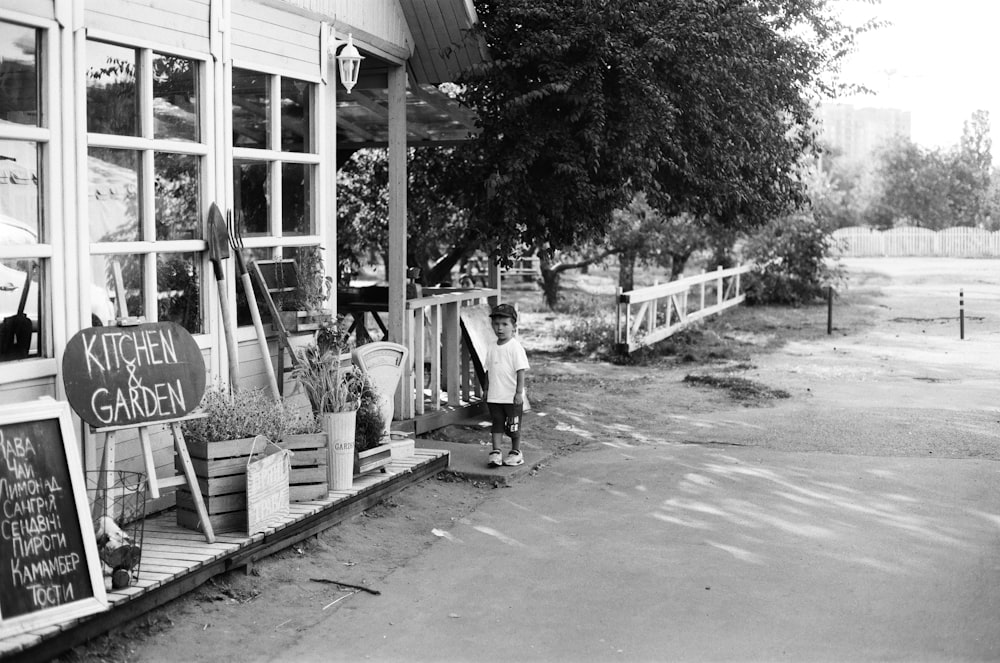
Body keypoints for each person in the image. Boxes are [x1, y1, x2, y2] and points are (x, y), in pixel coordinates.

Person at [483, 303, 530, 467]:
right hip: (495, 395)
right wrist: (487, 389)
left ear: (514, 327)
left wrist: (519, 393)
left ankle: (516, 452)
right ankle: (496, 451)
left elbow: (520, 371)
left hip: (511, 397)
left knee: (513, 426)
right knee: (496, 423)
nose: (500, 328)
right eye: (496, 324)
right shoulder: (491, 347)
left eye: (504, 324)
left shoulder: (515, 348)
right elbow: (488, 370)